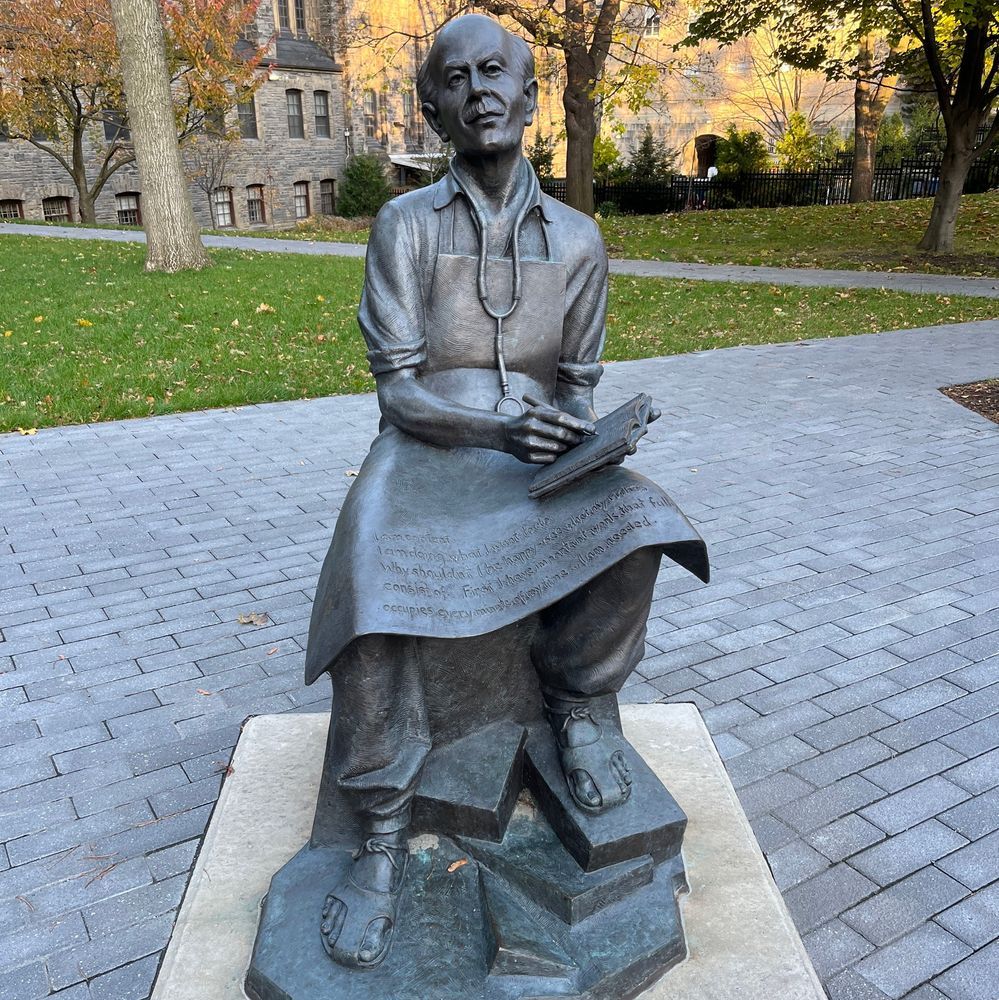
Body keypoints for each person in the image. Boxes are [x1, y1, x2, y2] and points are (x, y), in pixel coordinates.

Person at [304, 14, 707, 971]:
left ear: (529, 98)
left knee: (643, 519)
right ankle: (381, 828)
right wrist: (493, 429)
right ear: (432, 108)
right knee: (371, 575)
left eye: (497, 73)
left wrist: (579, 442)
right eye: (456, 78)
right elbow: (398, 392)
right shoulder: (405, 224)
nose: (479, 90)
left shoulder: (578, 238)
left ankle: (575, 704)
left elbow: (576, 386)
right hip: (425, 446)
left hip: (535, 457)